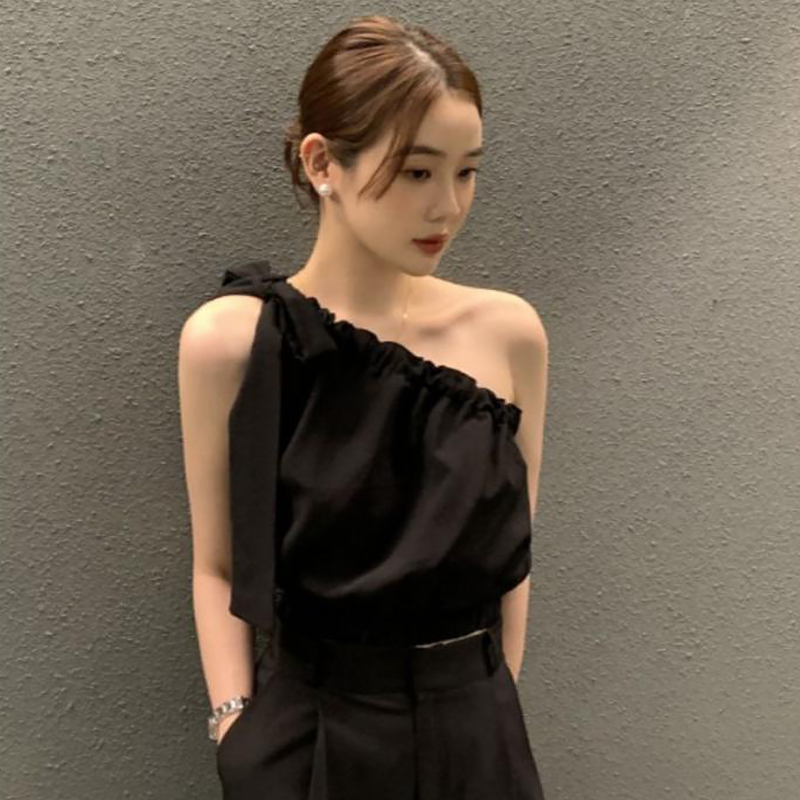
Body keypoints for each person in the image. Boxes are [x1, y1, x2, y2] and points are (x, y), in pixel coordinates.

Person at [178, 13, 549, 800]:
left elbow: (513, 559)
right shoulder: (236, 341)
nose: (448, 206)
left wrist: (493, 706)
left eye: (467, 172)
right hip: (314, 735)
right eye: (417, 172)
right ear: (323, 163)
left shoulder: (509, 334)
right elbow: (217, 565)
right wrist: (236, 728)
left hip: (476, 732)